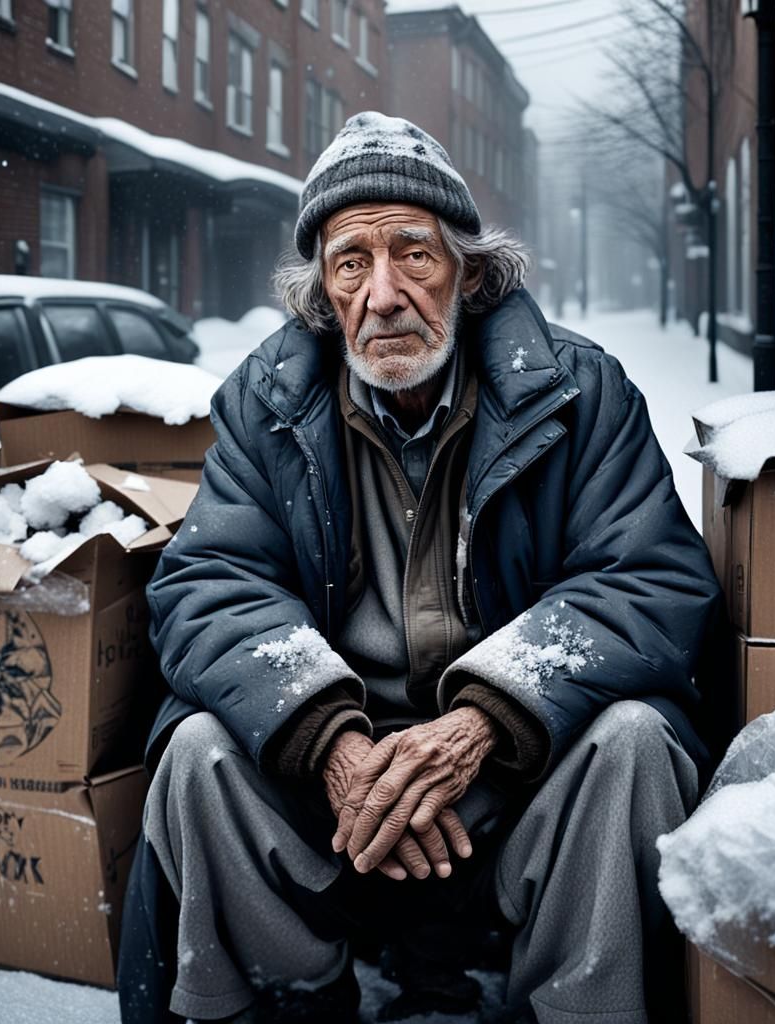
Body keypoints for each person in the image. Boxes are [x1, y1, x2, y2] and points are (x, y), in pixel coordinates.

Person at [118, 112, 723, 1024]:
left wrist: (479, 725)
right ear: (323, 290)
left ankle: (576, 1011)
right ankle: (294, 1002)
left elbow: (650, 580)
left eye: (415, 252)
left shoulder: (580, 390)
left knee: (639, 741)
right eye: (351, 262)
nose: (385, 293)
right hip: (334, 789)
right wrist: (330, 742)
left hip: (519, 780)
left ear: (471, 273)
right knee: (198, 753)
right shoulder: (265, 401)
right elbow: (208, 583)